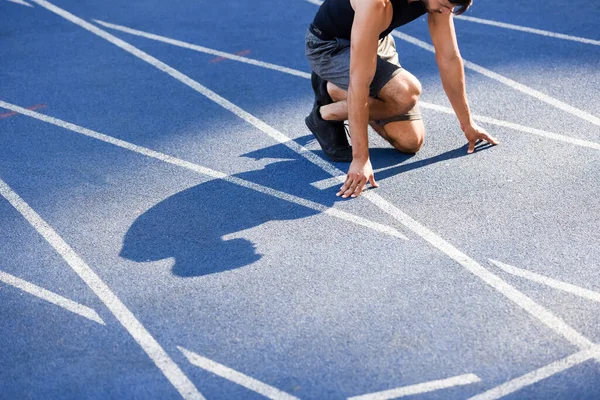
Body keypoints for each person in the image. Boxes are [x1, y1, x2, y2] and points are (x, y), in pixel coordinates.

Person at [305, 0, 499, 198]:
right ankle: (325, 104)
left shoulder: (440, 3)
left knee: (410, 141)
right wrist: (361, 159)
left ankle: (334, 96)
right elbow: (359, 81)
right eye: (445, 4)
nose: (447, 11)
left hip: (376, 40)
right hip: (330, 48)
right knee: (406, 93)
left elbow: (449, 57)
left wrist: (468, 124)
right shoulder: (376, 3)